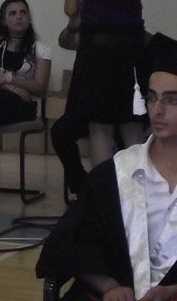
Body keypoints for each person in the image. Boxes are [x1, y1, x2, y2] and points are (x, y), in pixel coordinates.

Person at [37, 41, 177, 301]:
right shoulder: (114, 175)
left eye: (172, 100)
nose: (157, 110)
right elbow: (66, 244)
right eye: (152, 97)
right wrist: (109, 286)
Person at [63, 0, 160, 175]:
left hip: (96, 52)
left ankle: (104, 193)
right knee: (133, 125)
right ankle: (136, 192)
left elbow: (70, 8)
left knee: (100, 128)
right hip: (131, 50)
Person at [0, 0, 51, 198]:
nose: (19, 17)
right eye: (13, 13)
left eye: (23, 13)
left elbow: (39, 87)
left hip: (22, 105)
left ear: (29, 18)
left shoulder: (41, 49)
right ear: (4, 20)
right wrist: (12, 85)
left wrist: (4, 79)